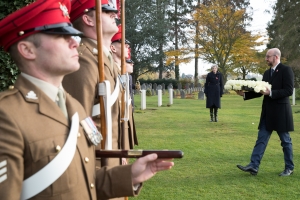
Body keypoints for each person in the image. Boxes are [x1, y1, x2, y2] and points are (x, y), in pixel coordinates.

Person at [0, 0, 174, 199]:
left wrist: (130, 175)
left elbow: (84, 181)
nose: (75, 42)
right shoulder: (7, 116)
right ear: (27, 50)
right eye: (61, 36)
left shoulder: (73, 106)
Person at [62, 0, 125, 168]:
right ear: (88, 20)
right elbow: (77, 119)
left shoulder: (105, 59)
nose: (114, 14)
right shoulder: (83, 59)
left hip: (111, 156)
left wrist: (119, 152)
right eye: (105, 11)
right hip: (95, 162)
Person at [236, 48, 294, 176]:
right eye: (266, 56)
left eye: (268, 56)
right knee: (261, 139)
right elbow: (260, 92)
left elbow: (289, 90)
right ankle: (253, 166)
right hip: (268, 113)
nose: (266, 59)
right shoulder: (267, 74)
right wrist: (244, 95)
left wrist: (271, 93)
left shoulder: (286, 70)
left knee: (285, 141)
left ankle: (289, 167)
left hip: (281, 113)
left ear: (276, 57)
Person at [110, 25, 138, 151]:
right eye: (124, 45)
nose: (128, 48)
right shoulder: (111, 70)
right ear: (113, 48)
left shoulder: (120, 71)